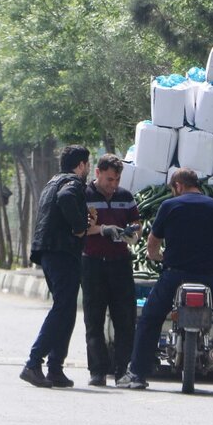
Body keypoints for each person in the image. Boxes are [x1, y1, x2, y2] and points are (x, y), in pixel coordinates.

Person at [120, 168, 213, 395]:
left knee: (150, 319)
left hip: (175, 274)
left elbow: (153, 242)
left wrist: (157, 256)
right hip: (210, 276)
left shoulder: (169, 207)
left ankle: (137, 375)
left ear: (178, 186)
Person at [21, 145, 93, 389]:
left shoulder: (53, 181)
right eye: (88, 165)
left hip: (48, 251)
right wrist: (79, 226)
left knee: (67, 309)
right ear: (81, 165)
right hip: (62, 252)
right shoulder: (73, 183)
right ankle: (33, 363)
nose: (88, 170)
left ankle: (55, 368)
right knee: (63, 308)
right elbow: (66, 200)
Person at [81, 155, 142, 387]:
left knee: (125, 319)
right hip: (93, 263)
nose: (113, 185)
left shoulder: (126, 197)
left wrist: (132, 232)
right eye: (109, 179)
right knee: (94, 318)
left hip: (120, 263)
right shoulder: (84, 196)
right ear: (97, 173)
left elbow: (137, 223)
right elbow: (79, 229)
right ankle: (97, 371)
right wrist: (103, 230)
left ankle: (122, 370)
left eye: (116, 180)